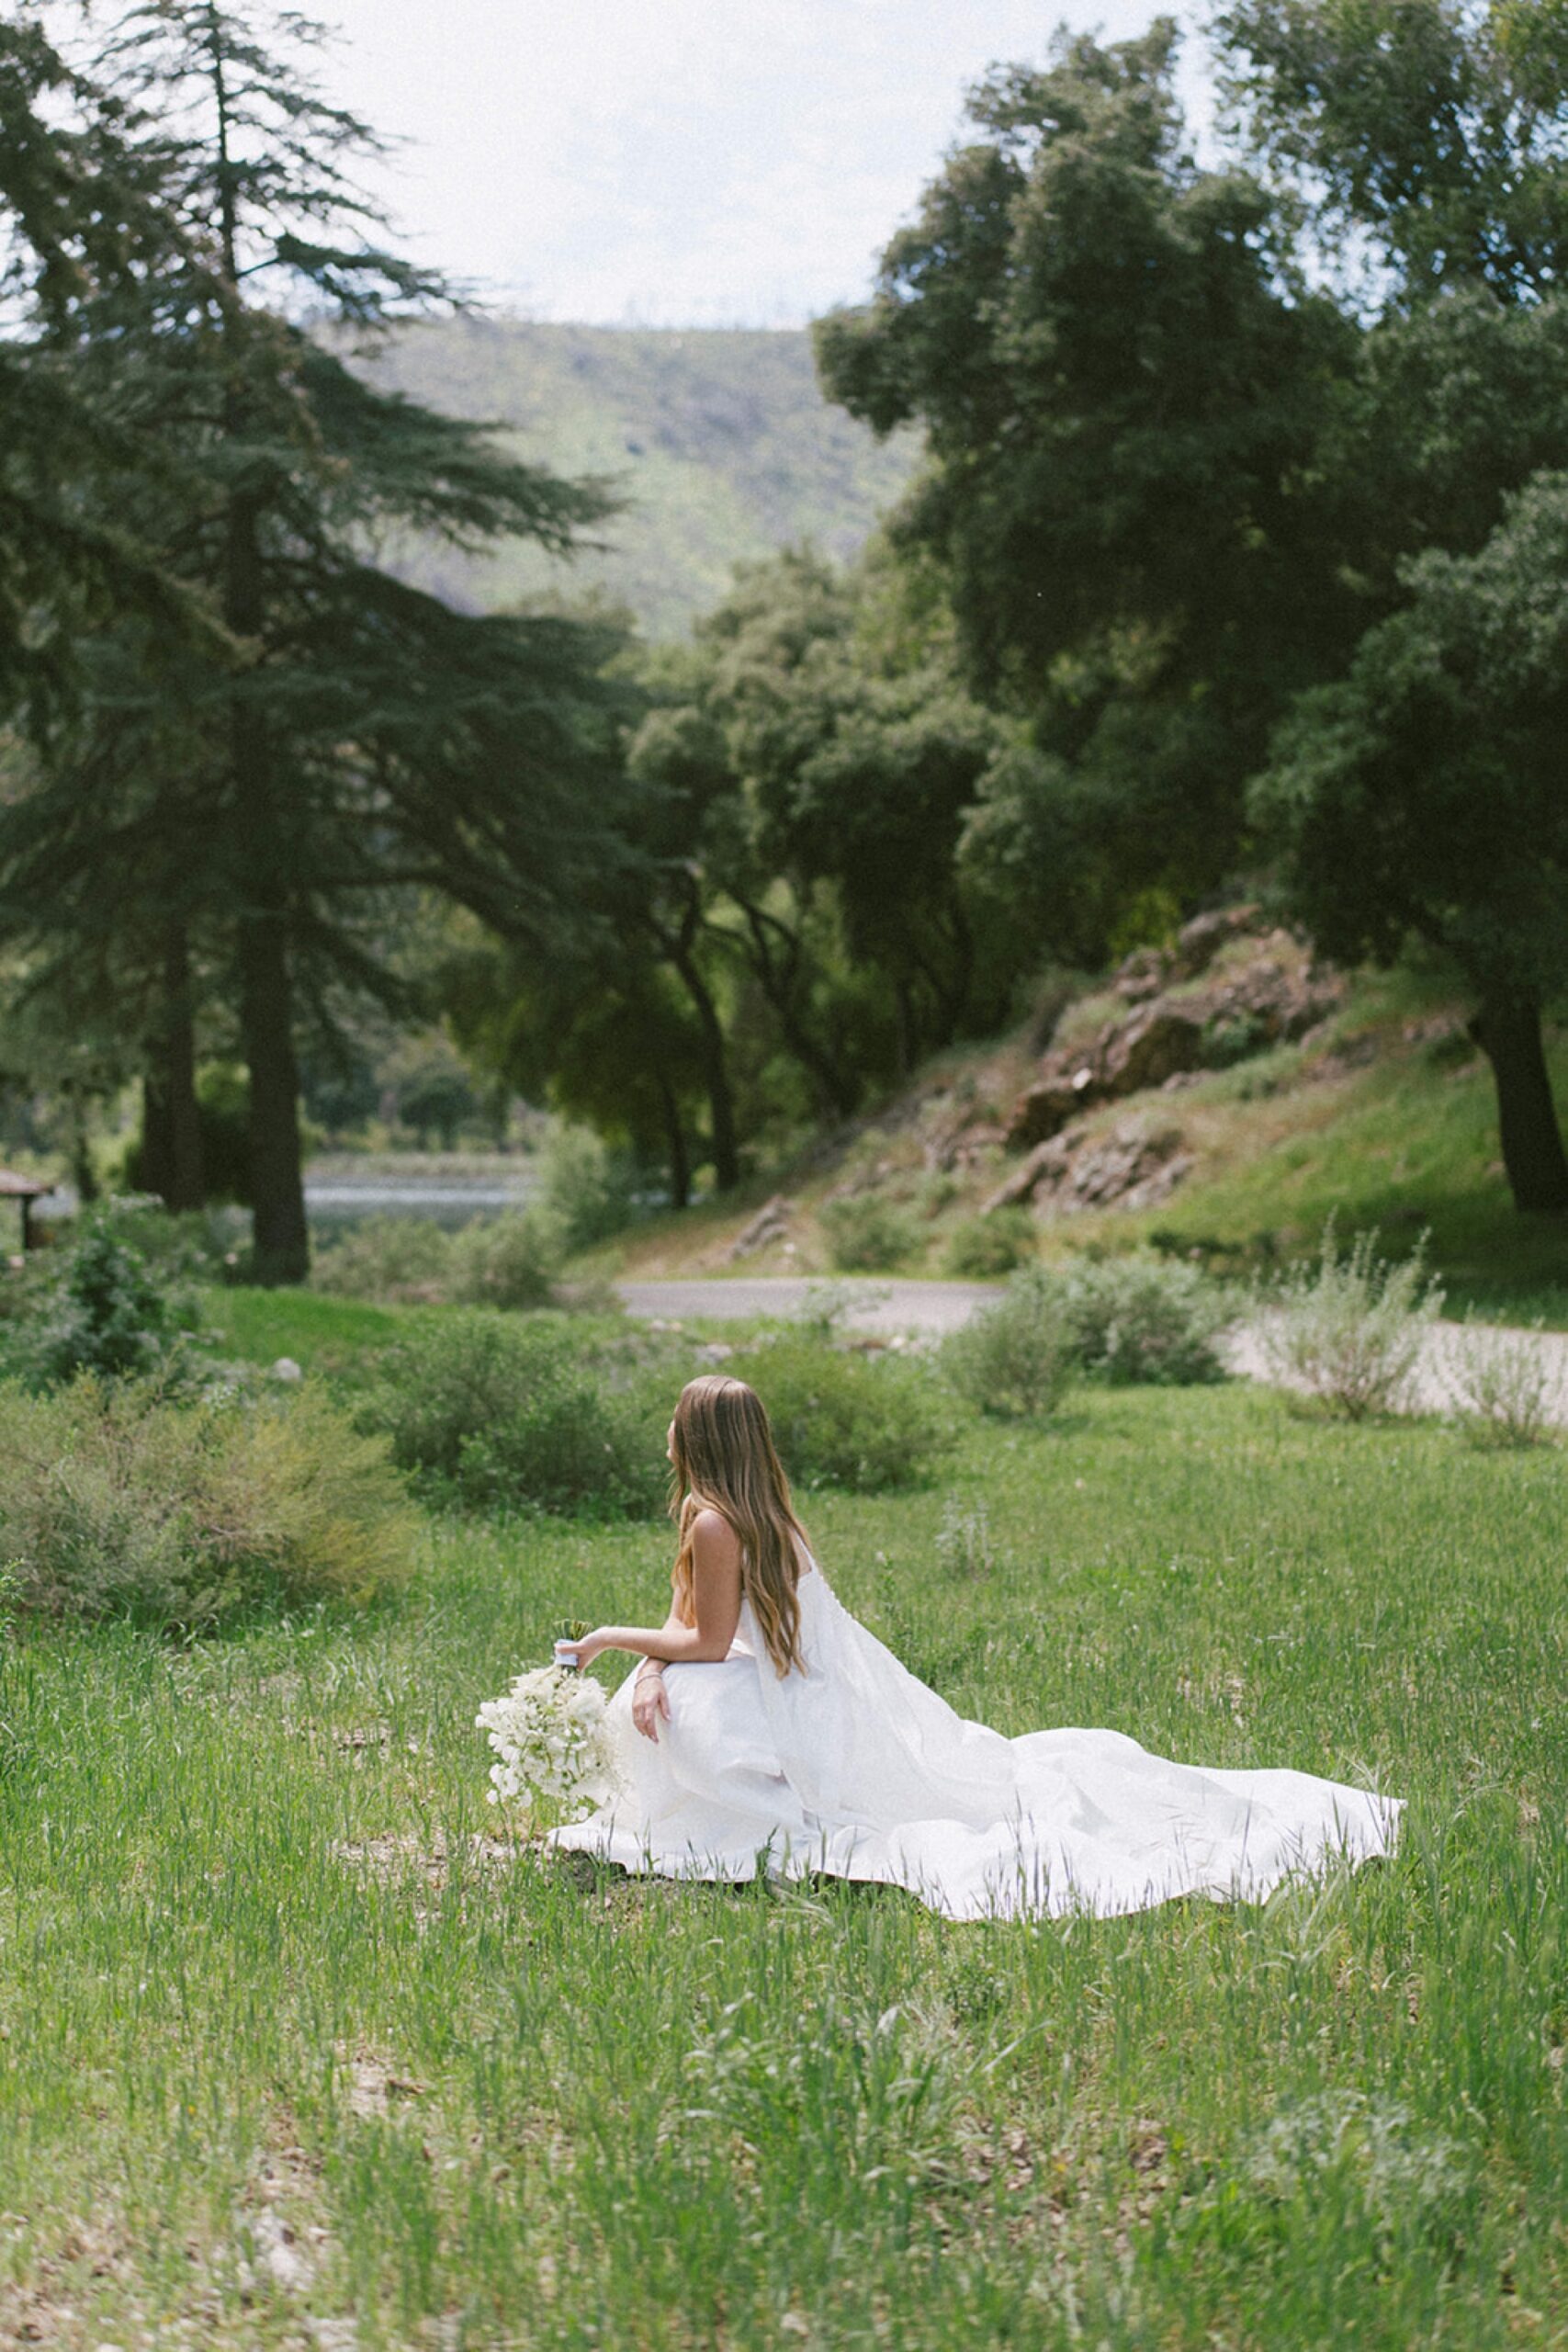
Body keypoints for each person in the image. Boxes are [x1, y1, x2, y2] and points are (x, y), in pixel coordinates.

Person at [549, 1374, 1401, 1922]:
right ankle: (717, 1797)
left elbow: (701, 1633)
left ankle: (744, 1815)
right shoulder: (743, 1507)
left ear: (693, 1438)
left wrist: (605, 1644)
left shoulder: (713, 1518)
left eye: (673, 1420)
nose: (664, 1428)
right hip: (793, 1686)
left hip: (793, 1703)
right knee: (653, 1697)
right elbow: (688, 1616)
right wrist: (652, 1663)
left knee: (661, 1710)